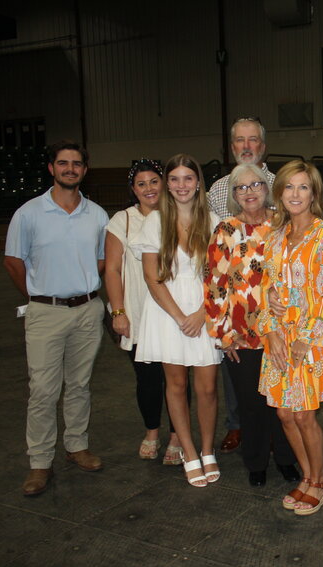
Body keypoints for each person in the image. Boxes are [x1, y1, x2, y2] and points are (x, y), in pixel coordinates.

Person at [4, 140, 108, 496]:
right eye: (63, 163)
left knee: (79, 384)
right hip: (45, 312)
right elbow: (13, 262)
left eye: (76, 164)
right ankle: (39, 462)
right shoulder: (29, 213)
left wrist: (81, 288)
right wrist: (38, 296)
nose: (70, 169)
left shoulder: (97, 215)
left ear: (84, 170)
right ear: (51, 168)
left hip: (87, 310)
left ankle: (76, 445)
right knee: (44, 390)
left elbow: (101, 262)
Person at [256, 160, 323, 516]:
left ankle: (320, 482)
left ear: (314, 193)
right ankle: (308, 476)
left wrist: (305, 339)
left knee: (304, 416)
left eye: (303, 187)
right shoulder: (275, 237)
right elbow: (266, 291)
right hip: (280, 338)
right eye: (289, 187)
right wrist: (271, 330)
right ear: (280, 193)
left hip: (312, 339)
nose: (295, 194)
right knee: (284, 413)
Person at [204, 163, 299, 487]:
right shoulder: (224, 231)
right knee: (250, 404)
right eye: (241, 187)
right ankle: (256, 462)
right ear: (233, 195)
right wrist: (222, 335)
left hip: (282, 333)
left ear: (267, 187)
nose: (249, 192)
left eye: (255, 185)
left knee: (281, 403)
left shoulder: (283, 225)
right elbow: (215, 285)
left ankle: (287, 459)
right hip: (242, 337)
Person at [131, 153, 222, 488]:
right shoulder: (154, 222)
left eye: (188, 178)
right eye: (174, 179)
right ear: (167, 185)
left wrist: (201, 313)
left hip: (204, 313)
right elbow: (153, 278)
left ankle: (208, 449)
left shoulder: (213, 221)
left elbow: (221, 277)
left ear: (198, 182)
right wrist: (180, 316)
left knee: (208, 388)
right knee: (177, 386)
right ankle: (188, 450)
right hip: (168, 315)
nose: (181, 186)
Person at [105, 159, 187, 465]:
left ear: (164, 184)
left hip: (174, 311)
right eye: (141, 183)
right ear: (133, 189)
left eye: (154, 181)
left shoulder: (178, 215)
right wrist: (118, 311)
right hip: (139, 313)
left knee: (178, 380)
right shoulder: (122, 220)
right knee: (148, 380)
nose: (149, 188)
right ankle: (152, 431)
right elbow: (112, 270)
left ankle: (178, 437)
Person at [207, 117, 276, 454]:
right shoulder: (218, 189)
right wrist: (222, 327)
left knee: (275, 389)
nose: (246, 146)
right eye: (239, 140)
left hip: (276, 314)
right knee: (239, 382)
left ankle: (278, 440)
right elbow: (215, 266)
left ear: (263, 146)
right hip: (237, 313)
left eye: (253, 140)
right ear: (232, 146)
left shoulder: (282, 184)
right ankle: (237, 427)